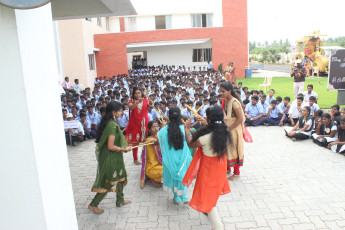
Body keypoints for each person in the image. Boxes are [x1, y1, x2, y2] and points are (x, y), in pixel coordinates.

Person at [182, 106, 231, 230]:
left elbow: (190, 143)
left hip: (208, 170)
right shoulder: (224, 130)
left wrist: (186, 128)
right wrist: (206, 123)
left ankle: (218, 227)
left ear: (209, 118)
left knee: (208, 200)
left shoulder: (205, 136)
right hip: (219, 168)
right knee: (212, 197)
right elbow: (212, 130)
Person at [88, 101, 131, 214]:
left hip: (115, 157)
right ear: (113, 112)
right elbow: (110, 146)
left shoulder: (111, 123)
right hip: (110, 158)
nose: (122, 112)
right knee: (109, 182)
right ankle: (93, 204)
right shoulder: (112, 125)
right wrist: (123, 149)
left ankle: (120, 200)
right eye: (120, 110)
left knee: (121, 177)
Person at [157, 107, 192, 204]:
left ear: (169, 117)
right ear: (180, 117)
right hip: (183, 157)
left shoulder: (162, 131)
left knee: (173, 176)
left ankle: (176, 197)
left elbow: (160, 146)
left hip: (169, 159)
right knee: (182, 176)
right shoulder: (184, 128)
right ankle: (184, 196)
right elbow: (190, 141)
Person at [219, 82, 244, 179]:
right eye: (220, 91)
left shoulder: (234, 102)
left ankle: (236, 173)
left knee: (235, 149)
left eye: (223, 91)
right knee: (227, 148)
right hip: (228, 127)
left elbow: (240, 118)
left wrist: (230, 128)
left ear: (229, 91)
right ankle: (228, 168)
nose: (221, 93)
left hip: (234, 129)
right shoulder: (225, 101)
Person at [126, 87, 153, 165]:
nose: (137, 94)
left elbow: (151, 107)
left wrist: (151, 103)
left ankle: (146, 157)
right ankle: (135, 159)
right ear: (133, 94)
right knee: (135, 142)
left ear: (141, 93)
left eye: (139, 93)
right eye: (136, 93)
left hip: (144, 123)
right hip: (134, 123)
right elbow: (131, 108)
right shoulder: (131, 101)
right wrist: (137, 102)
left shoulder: (145, 100)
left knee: (147, 141)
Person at [140, 120, 163, 189]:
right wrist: (163, 129)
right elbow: (157, 142)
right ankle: (153, 179)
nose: (156, 129)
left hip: (159, 164)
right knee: (167, 172)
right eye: (153, 128)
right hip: (151, 168)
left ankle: (155, 179)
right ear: (149, 130)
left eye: (157, 127)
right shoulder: (149, 140)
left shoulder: (156, 137)